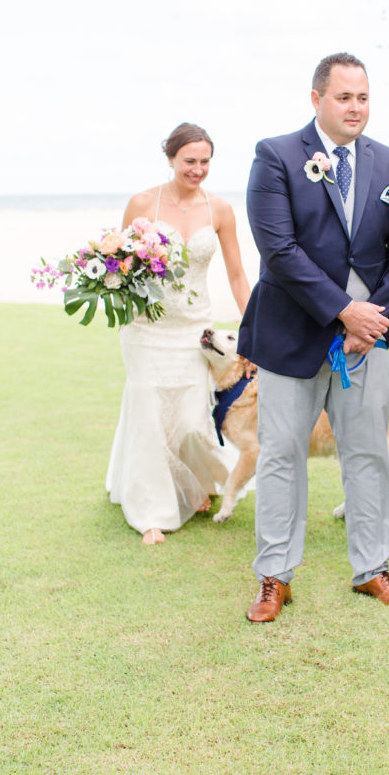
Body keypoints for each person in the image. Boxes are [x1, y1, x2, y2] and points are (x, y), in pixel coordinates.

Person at [238, 53, 389, 621]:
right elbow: (280, 251)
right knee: (282, 456)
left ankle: (373, 570)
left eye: (363, 97)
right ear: (316, 99)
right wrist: (346, 310)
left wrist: (372, 320)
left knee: (369, 454)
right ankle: (275, 577)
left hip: (366, 343)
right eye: (344, 97)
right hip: (291, 337)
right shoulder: (275, 156)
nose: (355, 107)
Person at [106, 122, 251, 545]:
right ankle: (151, 511)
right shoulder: (142, 204)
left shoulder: (220, 210)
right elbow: (121, 267)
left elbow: (238, 275)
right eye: (190, 161)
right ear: (170, 158)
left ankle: (198, 481)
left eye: (205, 162)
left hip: (195, 329)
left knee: (190, 420)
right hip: (146, 330)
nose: (198, 169)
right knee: (150, 415)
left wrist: (257, 325)